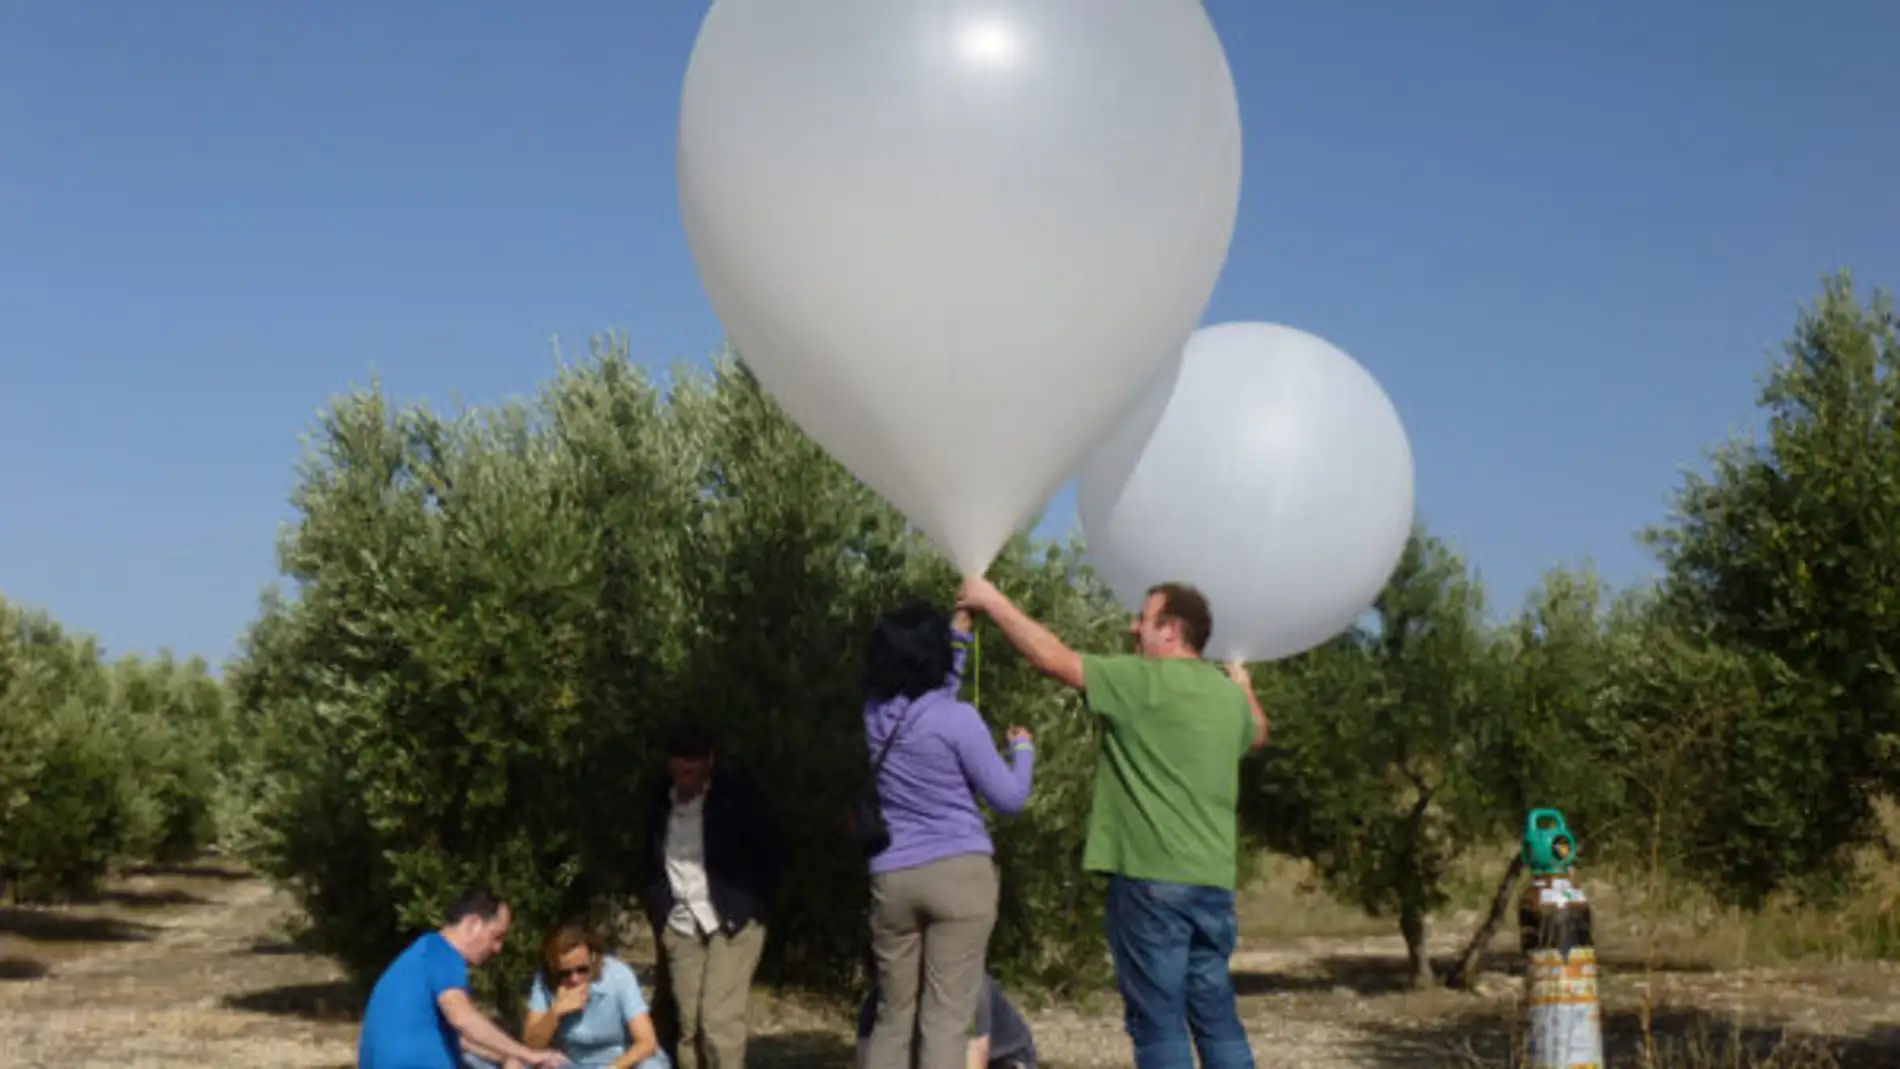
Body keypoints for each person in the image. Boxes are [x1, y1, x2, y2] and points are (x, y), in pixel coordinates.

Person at [956, 578, 1267, 1069]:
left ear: (1170, 631)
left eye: (1143, 618)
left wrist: (989, 600)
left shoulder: (1140, 682)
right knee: (1216, 1015)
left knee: (1158, 1023)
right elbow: (1258, 734)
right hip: (1213, 885)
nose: (1132, 626)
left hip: (1152, 882)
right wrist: (1244, 687)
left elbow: (1052, 659)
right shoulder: (1227, 700)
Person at [861, 602, 1035, 1069]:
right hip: (959, 875)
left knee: (892, 1017)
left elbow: (922, 704)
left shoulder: (875, 718)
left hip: (893, 876)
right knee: (945, 1019)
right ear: (931, 654)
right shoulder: (959, 720)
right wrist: (1023, 751)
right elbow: (1010, 798)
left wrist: (959, 638)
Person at [642, 719, 787, 1069]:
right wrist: (659, 909)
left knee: (719, 1022)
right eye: (679, 772)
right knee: (690, 1025)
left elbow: (773, 850)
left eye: (691, 772)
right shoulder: (658, 799)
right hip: (680, 921)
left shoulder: (736, 798)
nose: (685, 781)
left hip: (733, 919)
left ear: (709, 762)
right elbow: (647, 858)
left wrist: (753, 903)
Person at [357, 888, 565, 1069]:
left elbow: (463, 1039)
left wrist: (509, 1056)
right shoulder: (441, 953)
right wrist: (528, 1055)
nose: (498, 948)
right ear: (473, 924)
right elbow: (463, 1018)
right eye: (497, 936)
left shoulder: (424, 953)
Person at [854, 962, 1039, 1069]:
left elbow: (974, 1058)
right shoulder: (880, 998)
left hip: (1003, 1059)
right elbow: (867, 1057)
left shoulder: (969, 986)